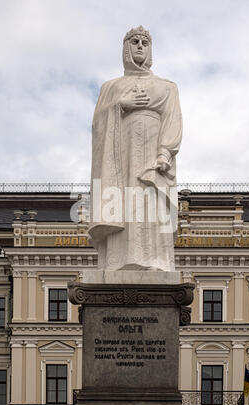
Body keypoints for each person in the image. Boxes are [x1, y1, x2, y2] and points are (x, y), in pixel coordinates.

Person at [88, 26, 182, 272]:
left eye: (145, 42)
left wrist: (164, 153)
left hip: (152, 157)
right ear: (126, 48)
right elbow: (98, 125)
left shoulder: (167, 87)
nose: (140, 46)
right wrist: (119, 105)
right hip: (121, 157)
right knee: (124, 201)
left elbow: (173, 120)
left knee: (151, 202)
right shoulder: (111, 87)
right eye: (134, 41)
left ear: (150, 50)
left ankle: (156, 262)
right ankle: (118, 261)